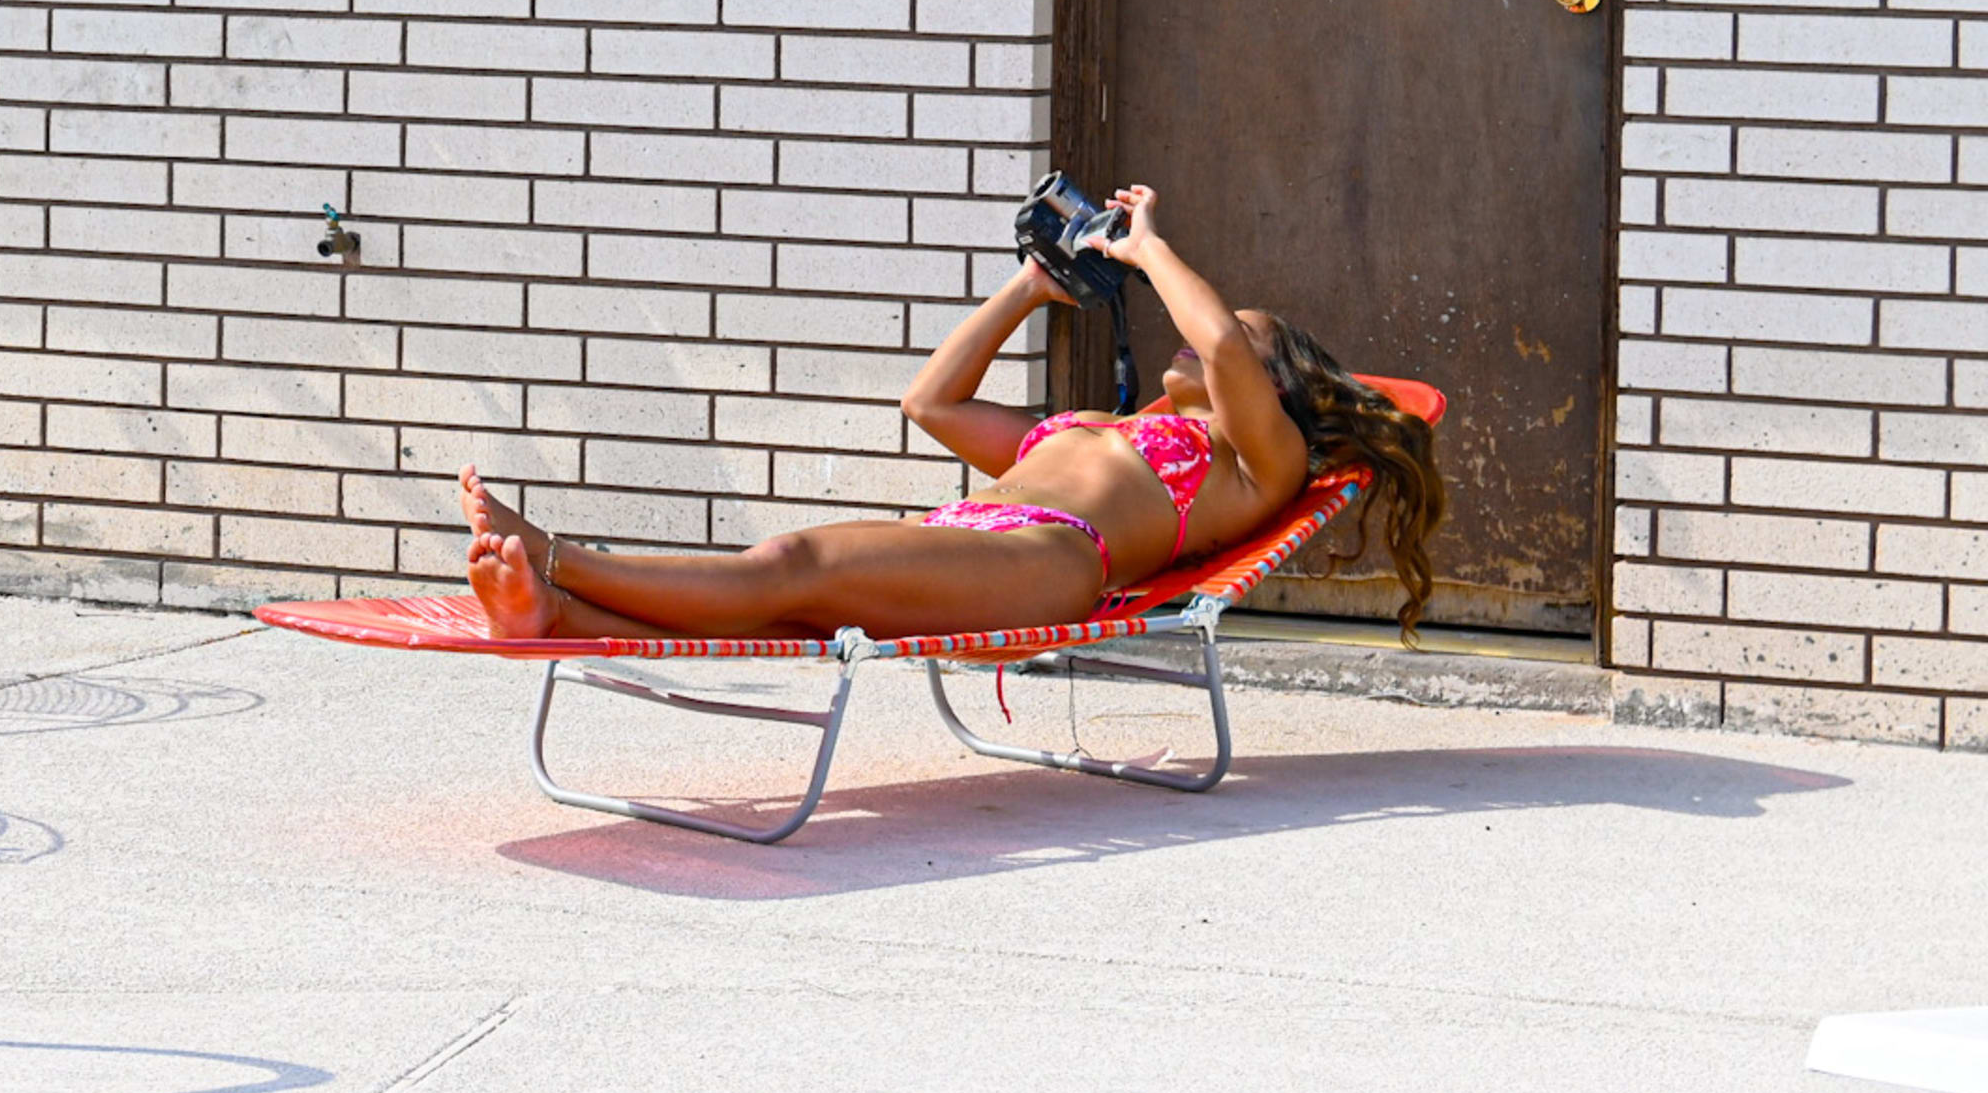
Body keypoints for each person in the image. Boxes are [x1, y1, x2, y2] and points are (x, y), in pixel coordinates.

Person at [463, 184, 1447, 644]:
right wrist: (1028, 288)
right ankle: (557, 612)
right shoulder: (1104, 434)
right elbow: (931, 401)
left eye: (1234, 331)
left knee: (792, 566)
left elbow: (1225, 351)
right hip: (979, 536)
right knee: (799, 602)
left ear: (1275, 390)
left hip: (1050, 559)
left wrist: (1149, 251)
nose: (1204, 333)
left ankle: (557, 557)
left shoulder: (1249, 466)